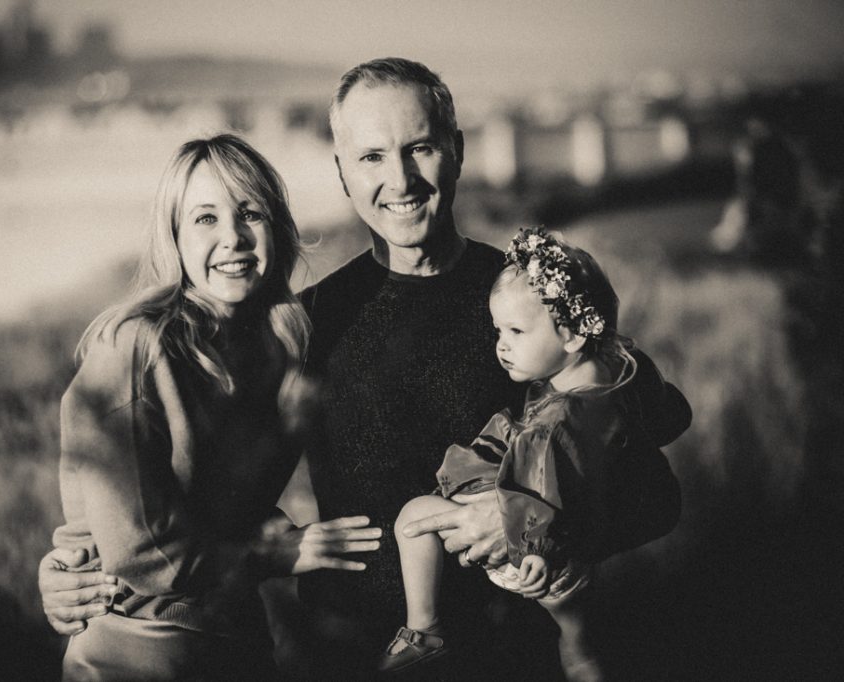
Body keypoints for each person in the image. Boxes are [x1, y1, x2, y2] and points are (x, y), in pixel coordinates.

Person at [40, 59, 689, 679]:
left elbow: (657, 499)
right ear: (342, 171)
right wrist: (76, 564)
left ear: (458, 149)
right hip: (346, 659)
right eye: (373, 156)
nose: (400, 180)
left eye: (421, 147)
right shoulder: (301, 327)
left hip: (510, 655)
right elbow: (197, 494)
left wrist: (551, 522)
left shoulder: (530, 307)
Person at [51, 133, 381, 681]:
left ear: (276, 227)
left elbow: (228, 504)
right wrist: (275, 554)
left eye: (250, 213)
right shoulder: (134, 347)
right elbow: (146, 554)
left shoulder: (280, 344)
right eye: (205, 219)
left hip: (238, 639)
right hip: (138, 651)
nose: (232, 237)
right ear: (174, 236)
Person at [380, 227, 679, 680]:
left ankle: (424, 629)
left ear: (573, 336)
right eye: (498, 329)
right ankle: (581, 652)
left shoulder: (551, 428)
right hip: (577, 563)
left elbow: (535, 494)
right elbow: (672, 416)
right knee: (575, 628)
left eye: (516, 331)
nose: (501, 345)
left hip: (539, 559)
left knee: (413, 518)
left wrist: (533, 550)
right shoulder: (626, 367)